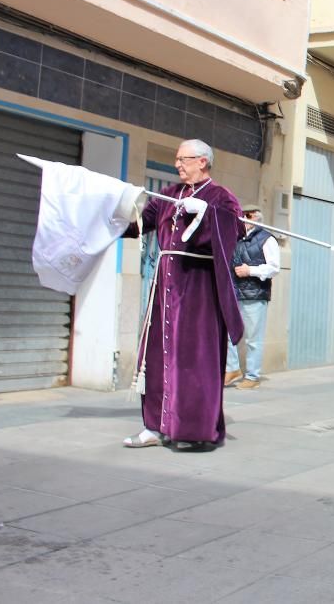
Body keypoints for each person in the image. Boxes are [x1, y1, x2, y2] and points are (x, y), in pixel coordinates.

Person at [122, 139, 244, 450]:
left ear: (203, 161)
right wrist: (115, 207)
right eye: (177, 159)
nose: (178, 164)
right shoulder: (169, 194)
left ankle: (196, 430)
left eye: (184, 159)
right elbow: (140, 224)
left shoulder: (222, 197)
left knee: (196, 361)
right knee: (157, 358)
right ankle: (154, 426)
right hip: (165, 290)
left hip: (199, 292)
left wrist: (208, 214)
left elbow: (233, 234)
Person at [225, 204, 280, 390]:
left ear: (255, 217)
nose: (242, 218)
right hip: (235, 293)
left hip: (255, 295)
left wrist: (251, 270)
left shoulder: (267, 239)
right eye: (241, 214)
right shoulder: (238, 238)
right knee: (228, 333)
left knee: (253, 339)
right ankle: (232, 369)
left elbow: (274, 267)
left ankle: (252, 376)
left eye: (246, 215)